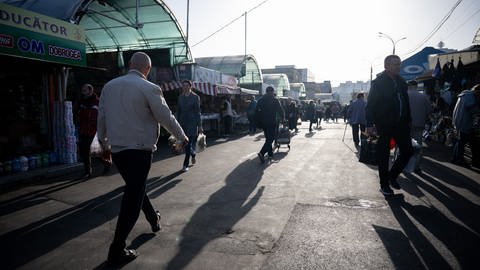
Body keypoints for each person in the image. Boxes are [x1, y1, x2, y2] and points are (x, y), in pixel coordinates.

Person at [97, 52, 188, 266]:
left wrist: (104, 144)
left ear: (130, 65)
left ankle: (153, 219)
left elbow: (101, 116)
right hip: (139, 150)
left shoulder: (109, 87)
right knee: (133, 196)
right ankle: (116, 249)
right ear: (147, 69)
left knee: (135, 187)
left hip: (118, 150)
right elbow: (166, 117)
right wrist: (182, 137)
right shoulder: (149, 88)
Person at [365, 55, 414, 197]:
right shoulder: (379, 83)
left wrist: (409, 118)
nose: (398, 67)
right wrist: (369, 124)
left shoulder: (402, 82)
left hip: (401, 124)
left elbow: (406, 102)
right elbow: (370, 106)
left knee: (408, 150)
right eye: (395, 64)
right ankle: (384, 185)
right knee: (383, 154)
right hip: (384, 124)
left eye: (399, 64)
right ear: (386, 66)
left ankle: (392, 176)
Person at [77, 83, 111, 178]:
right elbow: (78, 115)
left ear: (90, 91)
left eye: (85, 91)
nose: (83, 93)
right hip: (84, 130)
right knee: (84, 152)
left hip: (96, 131)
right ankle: (87, 172)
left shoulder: (98, 102)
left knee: (96, 153)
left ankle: (106, 163)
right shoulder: (81, 102)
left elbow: (104, 116)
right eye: (82, 91)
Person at [452, 83, 480, 167]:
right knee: (462, 142)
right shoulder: (470, 96)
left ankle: (456, 159)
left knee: (460, 142)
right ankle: (459, 159)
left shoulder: (464, 95)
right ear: (476, 90)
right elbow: (472, 109)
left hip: (460, 121)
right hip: (464, 122)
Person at [177, 80, 203, 172]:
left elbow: (198, 112)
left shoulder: (195, 97)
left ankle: (185, 164)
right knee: (185, 144)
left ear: (190, 87)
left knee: (188, 144)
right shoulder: (180, 97)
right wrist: (176, 123)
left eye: (187, 85)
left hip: (192, 123)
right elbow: (178, 111)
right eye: (183, 85)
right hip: (182, 123)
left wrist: (199, 125)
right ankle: (193, 154)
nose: (185, 87)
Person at [407, 80, 432, 173]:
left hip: (405, 125)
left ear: (408, 86)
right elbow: (429, 110)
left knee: (403, 145)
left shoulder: (403, 95)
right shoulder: (423, 96)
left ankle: (402, 164)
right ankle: (416, 167)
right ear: (416, 86)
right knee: (417, 146)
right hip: (419, 124)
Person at [256, 86, 284, 163]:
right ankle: (262, 153)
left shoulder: (261, 100)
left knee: (268, 138)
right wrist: (283, 118)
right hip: (271, 122)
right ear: (272, 91)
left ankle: (270, 153)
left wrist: (258, 122)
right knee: (270, 139)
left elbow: (257, 112)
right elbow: (280, 110)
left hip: (264, 123)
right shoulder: (275, 100)